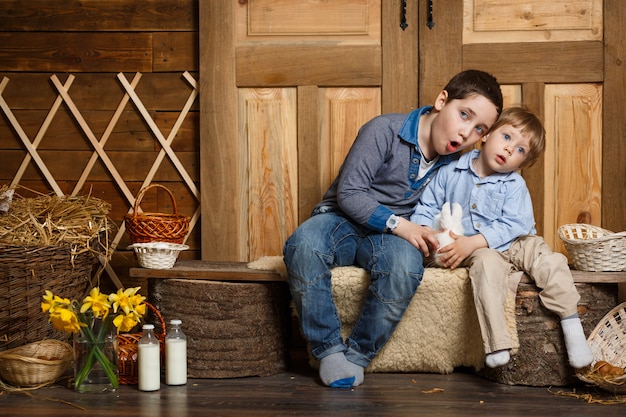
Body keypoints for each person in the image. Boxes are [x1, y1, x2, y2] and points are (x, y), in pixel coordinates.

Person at [283, 70, 503, 388]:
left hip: (392, 238)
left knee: (404, 267)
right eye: (464, 115)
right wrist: (401, 225)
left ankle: (358, 355)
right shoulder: (384, 129)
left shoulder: (459, 163)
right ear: (442, 101)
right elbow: (349, 193)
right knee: (303, 244)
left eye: (479, 128)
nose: (467, 132)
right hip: (342, 219)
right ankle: (328, 350)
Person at [410, 106, 593, 370]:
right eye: (507, 137)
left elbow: (517, 223)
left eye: (520, 150)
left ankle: (571, 323)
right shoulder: (450, 173)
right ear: (486, 135)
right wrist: (432, 234)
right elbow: (426, 208)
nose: (509, 149)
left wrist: (477, 240)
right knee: (486, 266)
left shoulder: (514, 184)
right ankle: (497, 343)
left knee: (549, 260)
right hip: (471, 246)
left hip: (516, 240)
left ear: (523, 162)